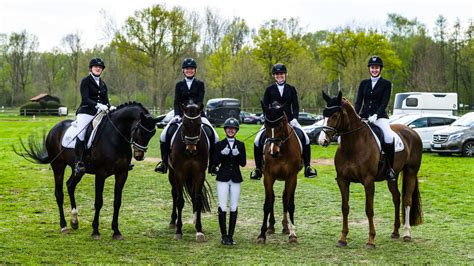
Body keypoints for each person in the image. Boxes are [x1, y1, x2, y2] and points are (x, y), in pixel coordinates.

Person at [250, 63, 317, 180]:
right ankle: (257, 169)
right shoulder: (269, 90)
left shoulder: (291, 89)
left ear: (285, 75)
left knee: (305, 138)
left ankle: (308, 167)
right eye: (277, 74)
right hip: (273, 121)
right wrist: (267, 118)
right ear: (274, 76)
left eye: (281, 74)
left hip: (290, 120)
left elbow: (295, 105)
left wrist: (295, 118)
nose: (279, 76)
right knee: (257, 140)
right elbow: (265, 106)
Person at [155, 58, 219, 174]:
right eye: (187, 69)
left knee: (215, 136)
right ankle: (164, 163)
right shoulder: (179, 85)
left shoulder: (200, 84)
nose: (189, 70)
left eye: (192, 69)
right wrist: (177, 115)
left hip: (197, 114)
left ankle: (213, 165)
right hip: (181, 113)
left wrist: (196, 112)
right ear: (183, 71)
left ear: (195, 70)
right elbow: (176, 101)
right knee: (164, 135)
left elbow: (200, 101)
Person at [354, 55, 397, 182]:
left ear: (380, 69)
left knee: (389, 137)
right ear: (369, 69)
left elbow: (384, 102)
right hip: (364, 116)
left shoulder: (386, 84)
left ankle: (390, 169)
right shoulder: (364, 84)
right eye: (372, 68)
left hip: (380, 117)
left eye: (377, 68)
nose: (374, 70)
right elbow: (358, 102)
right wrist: (356, 115)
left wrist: (377, 115)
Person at [74, 57, 115, 176]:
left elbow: (106, 100)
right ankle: (79, 162)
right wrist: (98, 105)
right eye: (96, 66)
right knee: (81, 134)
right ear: (91, 68)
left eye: (100, 67)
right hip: (86, 112)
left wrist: (109, 106)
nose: (98, 68)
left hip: (99, 113)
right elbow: (85, 99)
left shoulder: (103, 84)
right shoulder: (85, 81)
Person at [212, 117, 246, 245]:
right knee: (222, 206)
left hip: (236, 178)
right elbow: (214, 162)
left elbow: (243, 163)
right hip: (223, 178)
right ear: (225, 130)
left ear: (236, 130)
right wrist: (222, 153)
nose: (231, 130)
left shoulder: (241, 145)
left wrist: (238, 154)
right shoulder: (219, 145)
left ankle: (231, 236)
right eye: (228, 128)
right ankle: (223, 236)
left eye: (233, 129)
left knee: (233, 206)